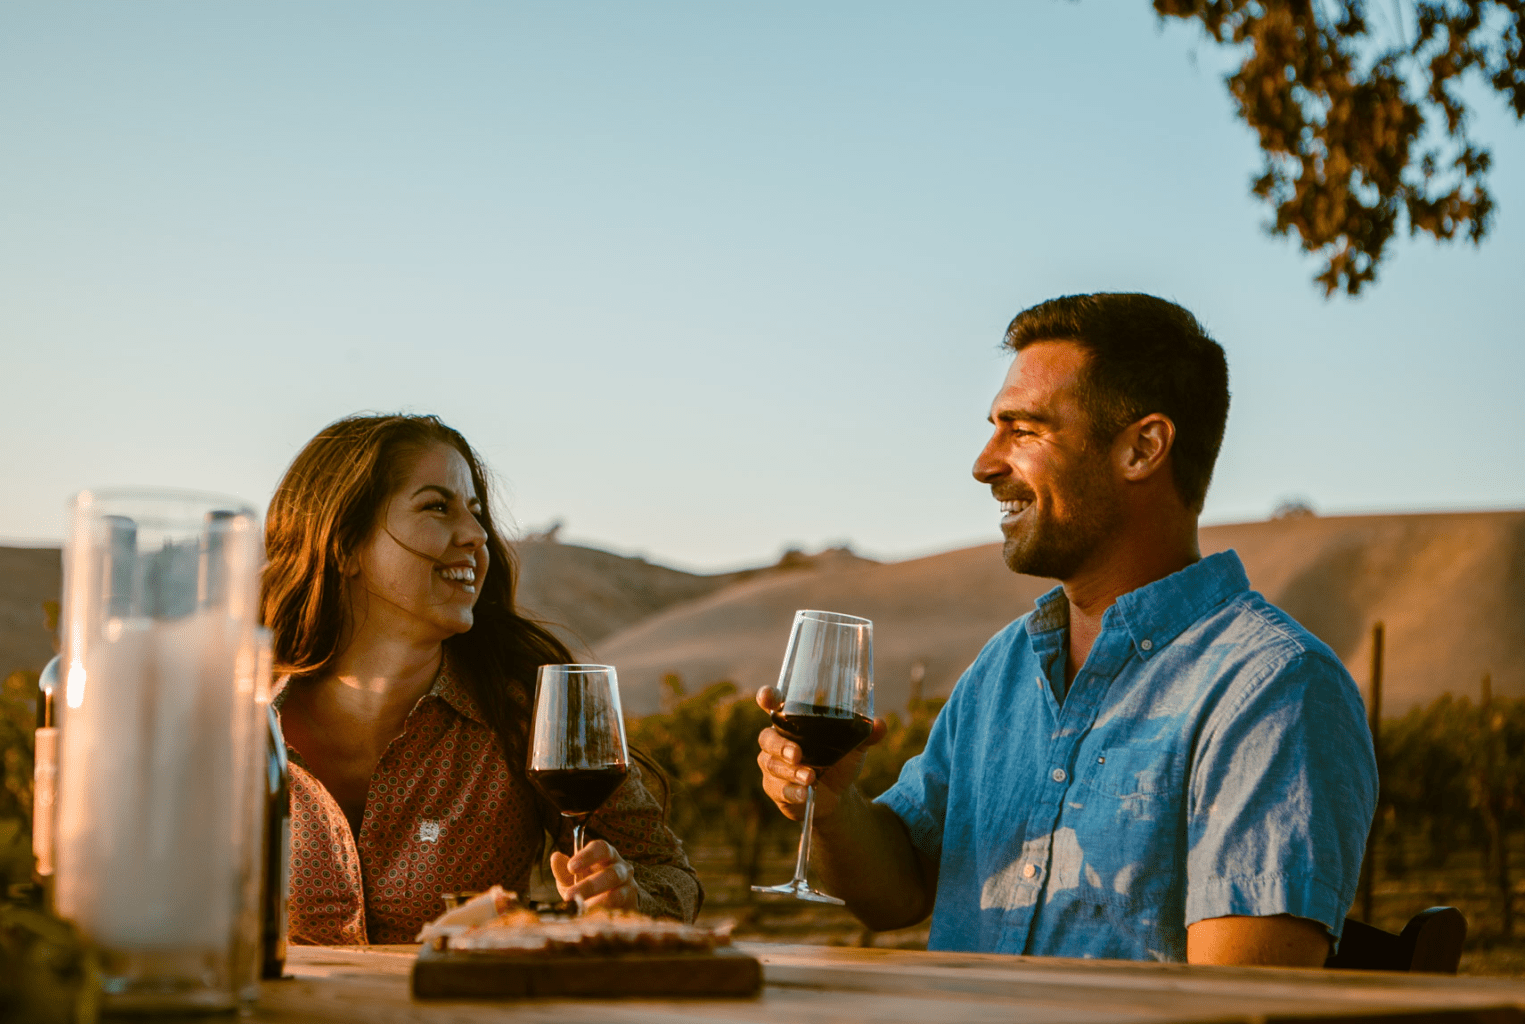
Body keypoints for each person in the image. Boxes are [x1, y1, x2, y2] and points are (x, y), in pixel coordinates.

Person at [755, 293, 1376, 965]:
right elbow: (897, 892)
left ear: (1141, 449)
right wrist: (833, 804)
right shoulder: (1004, 669)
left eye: (1022, 430)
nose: (984, 464)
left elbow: (1242, 1007)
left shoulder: (1271, 690)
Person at [262, 413, 700, 944]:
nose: (476, 535)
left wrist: (630, 900)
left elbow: (666, 874)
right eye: (436, 507)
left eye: (475, 512)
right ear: (346, 546)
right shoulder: (238, 722)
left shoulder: (524, 713)